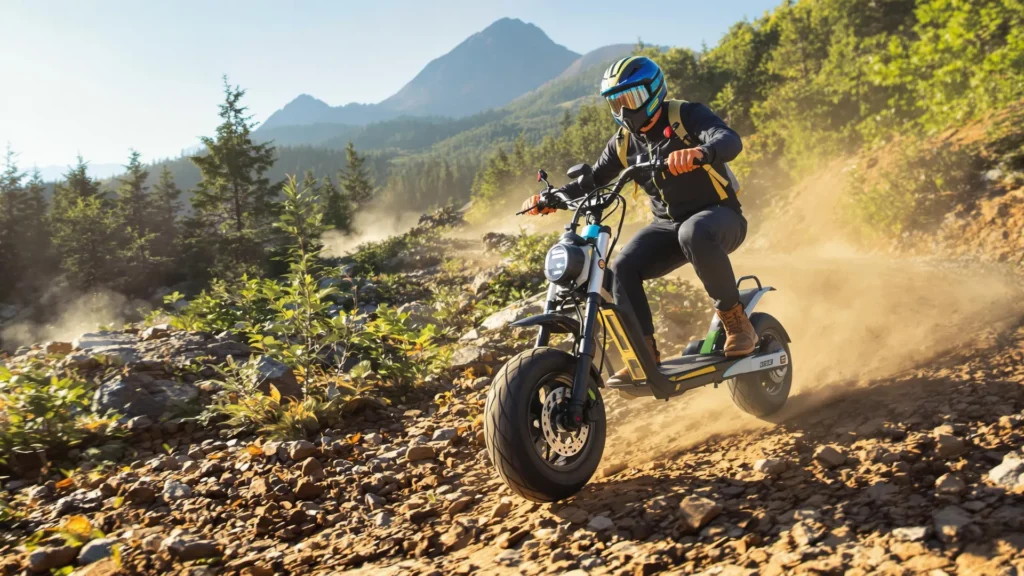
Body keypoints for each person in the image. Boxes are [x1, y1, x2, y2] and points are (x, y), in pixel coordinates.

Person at [520, 56, 757, 385]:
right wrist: (552, 198)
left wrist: (700, 153)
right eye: (616, 102)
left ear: (654, 91)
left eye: (630, 99)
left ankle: (736, 323)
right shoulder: (623, 142)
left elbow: (729, 139)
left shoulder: (685, 115)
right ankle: (644, 353)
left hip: (719, 217)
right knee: (621, 267)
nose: (624, 110)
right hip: (668, 228)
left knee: (694, 231)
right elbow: (592, 181)